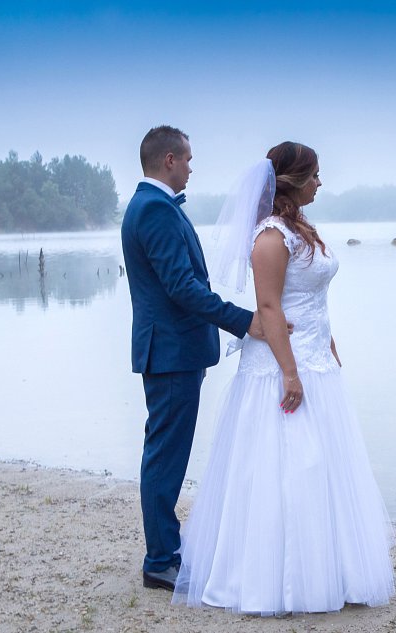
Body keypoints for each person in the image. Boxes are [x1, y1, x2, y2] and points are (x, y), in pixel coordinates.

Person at [172, 142, 395, 615]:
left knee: (324, 464)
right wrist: (289, 373)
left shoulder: (302, 228)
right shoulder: (271, 237)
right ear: (291, 181)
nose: (320, 182)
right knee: (286, 465)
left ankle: (333, 570)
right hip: (280, 364)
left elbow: (311, 297)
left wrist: (328, 342)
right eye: (314, 175)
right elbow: (269, 307)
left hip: (317, 357)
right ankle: (272, 580)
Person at [121, 125, 263, 591]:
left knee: (166, 453)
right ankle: (160, 560)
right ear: (169, 160)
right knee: (165, 457)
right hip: (170, 353)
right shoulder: (155, 209)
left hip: (173, 351)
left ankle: (166, 551)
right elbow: (182, 287)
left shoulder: (153, 206)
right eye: (187, 159)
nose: (190, 168)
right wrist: (243, 320)